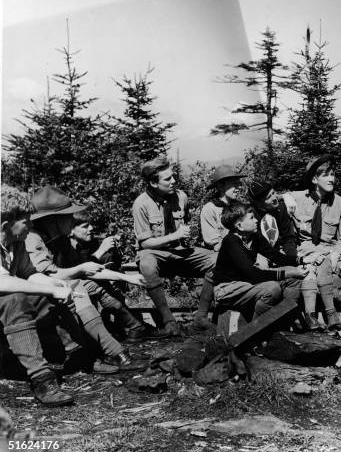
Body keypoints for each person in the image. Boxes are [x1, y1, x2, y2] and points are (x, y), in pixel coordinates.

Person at [26, 186, 145, 371]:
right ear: (52, 221)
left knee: (88, 284)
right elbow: (46, 275)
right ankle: (113, 352)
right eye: (68, 217)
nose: (71, 221)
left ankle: (127, 333)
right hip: (33, 294)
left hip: (57, 288)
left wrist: (127, 278)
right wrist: (82, 268)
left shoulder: (60, 239)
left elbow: (87, 271)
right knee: (78, 289)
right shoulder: (33, 239)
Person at [0, 186, 80, 406]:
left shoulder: (16, 242)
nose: (32, 225)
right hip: (4, 301)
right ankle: (42, 379)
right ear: (7, 225)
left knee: (48, 295)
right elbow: (3, 282)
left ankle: (78, 355)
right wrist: (51, 288)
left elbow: (30, 274)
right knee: (14, 299)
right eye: (26, 222)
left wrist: (56, 284)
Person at [132, 156, 217, 336]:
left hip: (179, 251)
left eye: (173, 176)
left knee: (217, 260)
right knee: (146, 264)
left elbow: (184, 225)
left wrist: (184, 237)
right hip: (154, 253)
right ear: (154, 183)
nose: (174, 181)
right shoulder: (141, 204)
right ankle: (168, 321)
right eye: (168, 179)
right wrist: (174, 235)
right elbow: (145, 243)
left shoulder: (181, 197)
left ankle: (201, 318)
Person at [64, 210, 167, 343]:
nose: (91, 228)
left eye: (90, 224)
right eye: (85, 226)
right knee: (101, 286)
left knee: (108, 285)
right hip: (68, 289)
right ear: (70, 231)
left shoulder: (89, 243)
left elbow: (100, 266)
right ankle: (135, 327)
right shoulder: (65, 248)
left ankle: (131, 326)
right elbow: (84, 270)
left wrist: (111, 253)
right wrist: (101, 251)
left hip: (89, 285)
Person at [287, 156, 341, 333]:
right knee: (311, 268)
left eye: (333, 174)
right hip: (308, 249)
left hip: (331, 249)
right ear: (314, 179)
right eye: (326, 175)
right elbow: (278, 195)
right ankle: (316, 315)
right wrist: (286, 197)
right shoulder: (298, 198)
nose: (332, 179)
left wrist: (335, 254)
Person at [213, 202, 309, 321]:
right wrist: (289, 273)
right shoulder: (231, 241)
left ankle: (285, 319)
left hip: (246, 282)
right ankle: (255, 331)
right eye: (252, 218)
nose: (256, 221)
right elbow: (253, 274)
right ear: (239, 226)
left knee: (294, 279)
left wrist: (301, 260)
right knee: (272, 289)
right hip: (228, 288)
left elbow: (276, 256)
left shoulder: (254, 236)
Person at [194, 165, 244, 329]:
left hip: (239, 253)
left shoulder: (239, 207)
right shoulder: (210, 209)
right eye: (234, 184)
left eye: (238, 183)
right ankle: (201, 317)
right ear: (221, 186)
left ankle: (230, 317)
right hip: (218, 253)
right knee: (219, 265)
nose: (238, 187)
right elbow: (212, 241)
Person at [247, 181, 298, 258]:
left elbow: (288, 237)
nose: (274, 198)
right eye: (268, 197)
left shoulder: (281, 208)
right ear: (258, 203)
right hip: (260, 255)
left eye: (273, 193)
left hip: (280, 251)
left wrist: (292, 255)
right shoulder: (250, 216)